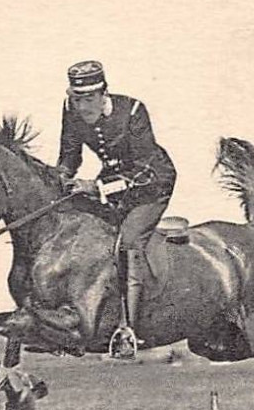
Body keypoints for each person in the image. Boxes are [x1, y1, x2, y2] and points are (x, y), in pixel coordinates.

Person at [56, 60, 177, 360]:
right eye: (77, 98)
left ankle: (127, 330)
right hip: (110, 184)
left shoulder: (134, 111)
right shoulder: (70, 111)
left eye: (88, 99)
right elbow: (69, 157)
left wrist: (96, 189)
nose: (82, 106)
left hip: (151, 184)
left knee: (130, 241)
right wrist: (57, 181)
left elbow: (145, 170)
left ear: (103, 94)